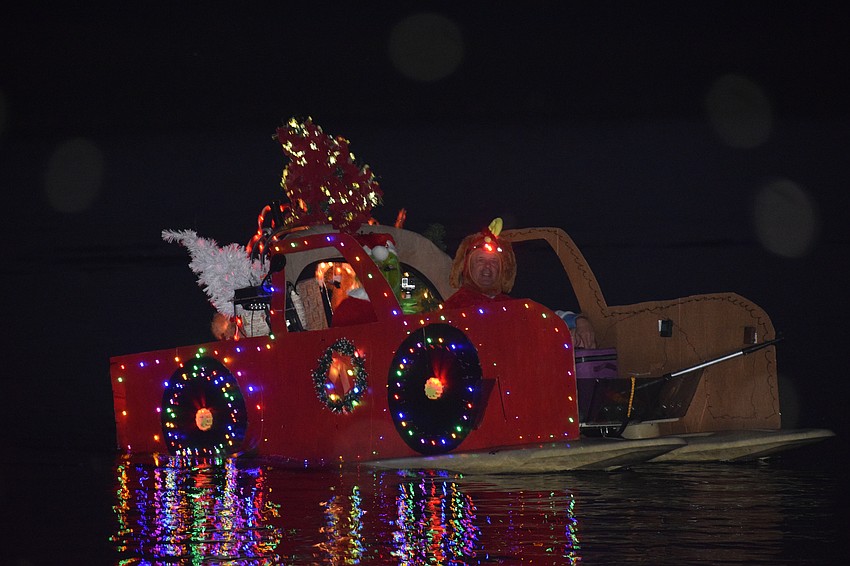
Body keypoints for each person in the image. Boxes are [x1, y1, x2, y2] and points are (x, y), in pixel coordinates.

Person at [444, 218, 597, 349]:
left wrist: (577, 322)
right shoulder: (455, 307)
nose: (487, 267)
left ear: (502, 270)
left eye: (494, 262)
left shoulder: (510, 304)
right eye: (480, 260)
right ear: (467, 266)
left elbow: (542, 318)